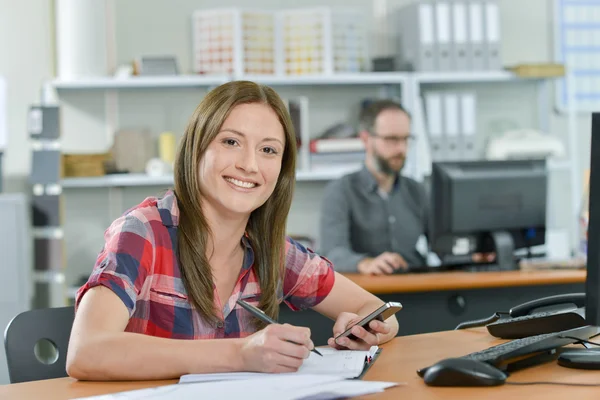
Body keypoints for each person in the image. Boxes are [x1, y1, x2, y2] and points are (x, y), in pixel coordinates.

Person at [66, 81, 399, 381]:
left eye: (268, 150)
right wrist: (241, 354)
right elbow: (86, 352)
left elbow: (377, 311)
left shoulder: (271, 249)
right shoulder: (143, 232)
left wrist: (367, 330)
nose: (250, 165)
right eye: (231, 142)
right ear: (196, 148)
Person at [319, 100, 428, 275]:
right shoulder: (341, 191)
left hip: (414, 286)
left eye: (406, 139)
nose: (401, 148)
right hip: (364, 292)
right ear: (366, 139)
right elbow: (332, 253)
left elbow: (444, 245)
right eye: (391, 139)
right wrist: (365, 263)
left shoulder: (418, 191)